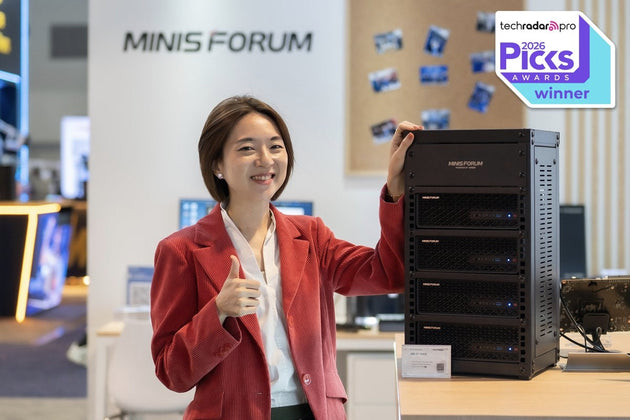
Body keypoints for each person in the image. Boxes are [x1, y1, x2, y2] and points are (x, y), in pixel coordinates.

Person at [150, 95, 422, 420]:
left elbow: (389, 273)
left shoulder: (312, 236)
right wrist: (218, 311)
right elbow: (172, 372)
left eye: (275, 146)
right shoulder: (180, 251)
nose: (265, 159)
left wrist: (395, 188)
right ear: (216, 164)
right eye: (247, 148)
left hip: (314, 412)